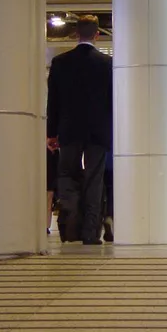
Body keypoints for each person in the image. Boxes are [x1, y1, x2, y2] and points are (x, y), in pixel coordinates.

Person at [46, 15, 113, 245]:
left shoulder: (60, 63)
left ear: (75, 34)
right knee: (94, 181)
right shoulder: (107, 65)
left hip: (69, 130)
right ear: (96, 35)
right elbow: (112, 102)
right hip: (98, 132)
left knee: (67, 176)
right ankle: (90, 234)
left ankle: (71, 227)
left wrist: (51, 133)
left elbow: (53, 101)